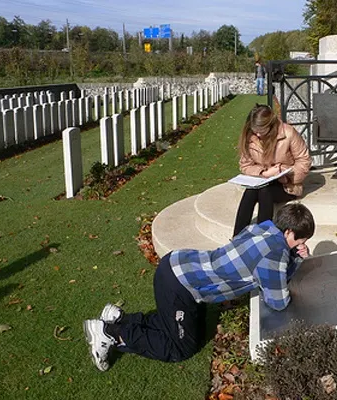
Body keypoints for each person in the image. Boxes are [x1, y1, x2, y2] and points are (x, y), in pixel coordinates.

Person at [83, 203, 316, 371]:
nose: (301, 246)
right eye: (300, 241)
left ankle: (119, 319)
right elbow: (278, 301)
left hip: (180, 264)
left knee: (181, 327)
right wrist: (295, 259)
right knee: (181, 347)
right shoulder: (276, 253)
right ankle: (112, 333)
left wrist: (292, 255)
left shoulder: (263, 228)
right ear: (288, 232)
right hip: (179, 285)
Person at [233, 104, 312, 237]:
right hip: (264, 179)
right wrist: (264, 173)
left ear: (270, 125)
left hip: (287, 185)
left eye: (261, 130)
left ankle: (263, 237)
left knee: (265, 191)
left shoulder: (288, 133)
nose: (257, 134)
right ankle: (237, 237)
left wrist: (285, 174)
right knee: (250, 190)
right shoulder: (250, 136)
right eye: (254, 130)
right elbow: (245, 165)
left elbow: (304, 161)